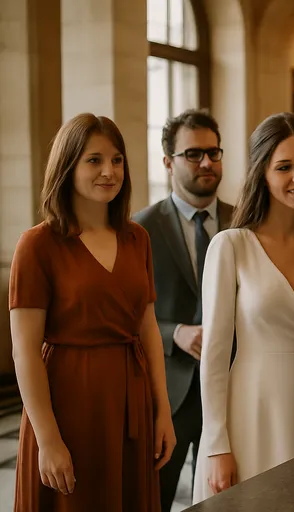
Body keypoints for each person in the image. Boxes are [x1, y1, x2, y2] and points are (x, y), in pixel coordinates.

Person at [9, 113, 175, 511]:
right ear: (68, 166)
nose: (109, 171)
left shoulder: (138, 238)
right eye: (94, 160)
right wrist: (48, 440)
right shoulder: (37, 245)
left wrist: (162, 411)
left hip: (130, 400)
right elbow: (25, 352)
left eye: (117, 160)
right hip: (67, 400)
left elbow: (148, 328)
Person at [192, 112, 294, 502]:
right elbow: (215, 353)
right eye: (284, 167)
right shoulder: (231, 246)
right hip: (250, 410)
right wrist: (215, 443)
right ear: (262, 173)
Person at [134, 109, 234, 512]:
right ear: (167, 162)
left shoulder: (243, 220)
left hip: (231, 387)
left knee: (228, 499)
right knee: (154, 499)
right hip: (168, 395)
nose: (207, 162)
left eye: (213, 152)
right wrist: (174, 332)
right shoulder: (138, 229)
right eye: (193, 154)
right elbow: (124, 314)